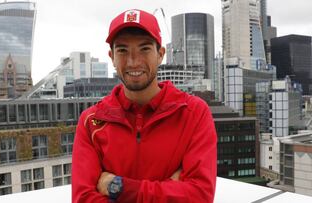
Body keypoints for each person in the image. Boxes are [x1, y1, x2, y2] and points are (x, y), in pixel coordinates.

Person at [72, 9, 217, 203]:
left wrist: (118, 187)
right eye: (122, 50)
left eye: (145, 49)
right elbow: (82, 199)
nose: (133, 61)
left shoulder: (193, 113)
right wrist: (171, 190)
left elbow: (200, 196)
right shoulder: (92, 121)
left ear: (160, 54)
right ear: (112, 57)